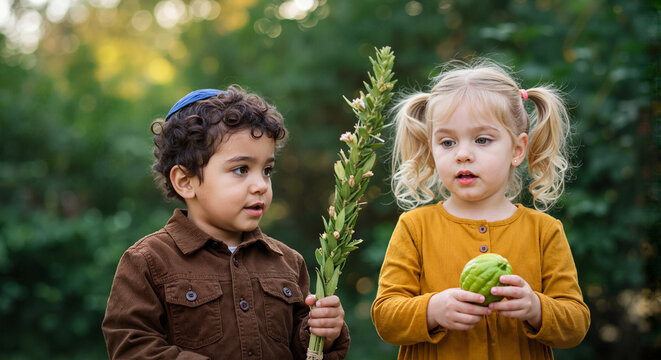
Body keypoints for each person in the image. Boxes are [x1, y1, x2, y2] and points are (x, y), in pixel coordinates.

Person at [102, 86, 350, 359]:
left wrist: (323, 334)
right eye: (241, 169)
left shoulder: (289, 263)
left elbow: (302, 351)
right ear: (186, 182)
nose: (260, 185)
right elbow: (131, 348)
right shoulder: (148, 261)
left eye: (267, 170)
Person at [371, 60, 590, 359]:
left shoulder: (544, 230)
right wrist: (432, 309)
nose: (462, 154)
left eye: (482, 140)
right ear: (431, 149)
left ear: (517, 149)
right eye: (447, 142)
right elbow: (385, 318)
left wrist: (536, 308)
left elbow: (576, 323)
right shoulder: (414, 227)